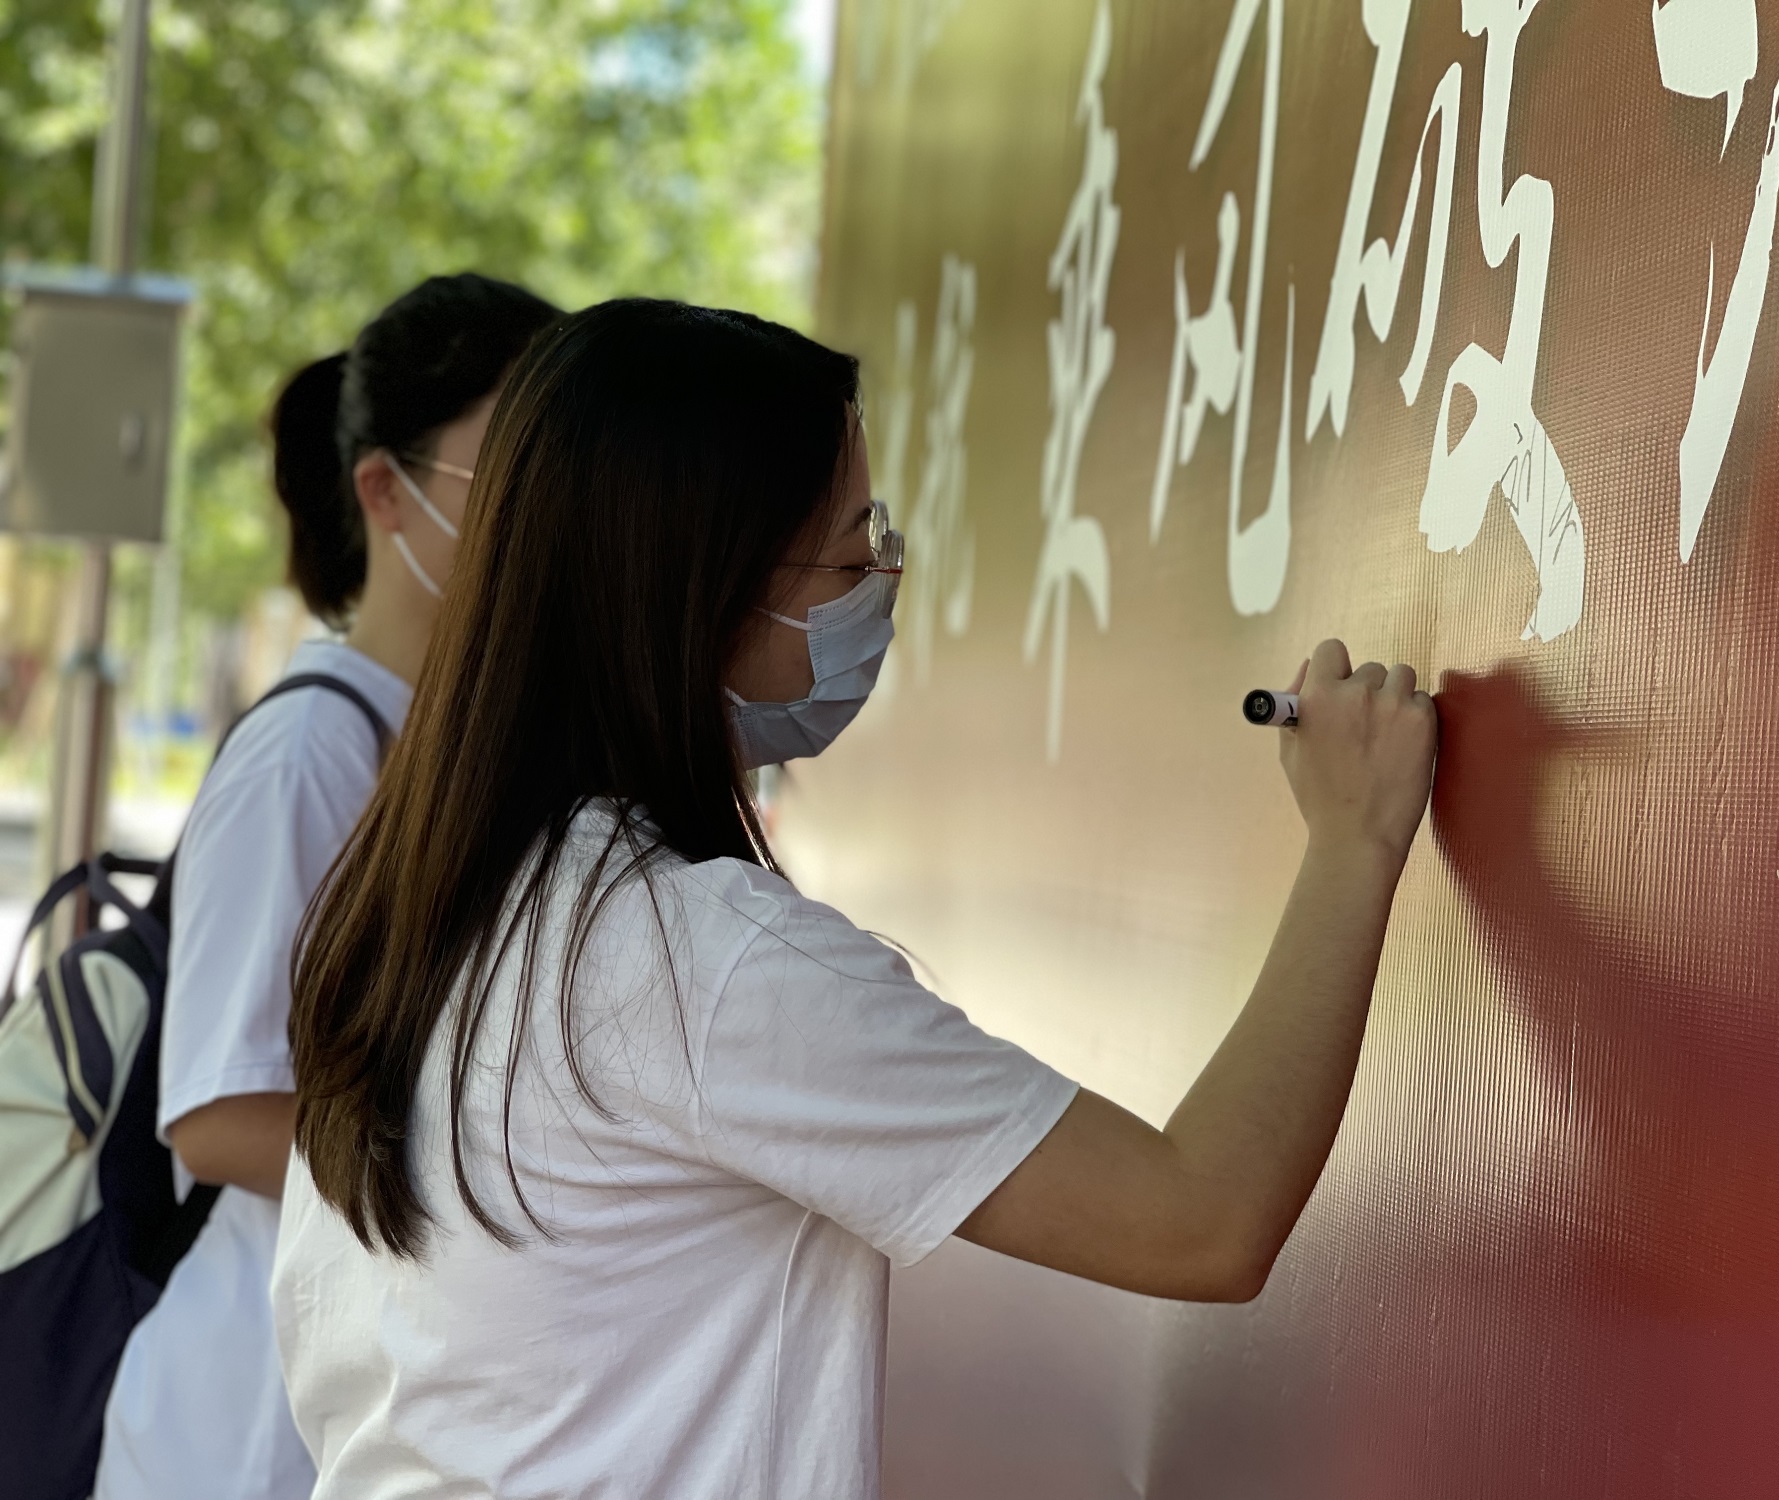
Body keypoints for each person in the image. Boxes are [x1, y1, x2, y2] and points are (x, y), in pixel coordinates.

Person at [276, 299, 1438, 1499]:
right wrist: (1351, 843)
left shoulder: (413, 908)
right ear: (700, 590)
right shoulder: (695, 960)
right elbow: (1199, 1216)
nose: (881, 580)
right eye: (848, 554)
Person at [94, 274, 560, 1500]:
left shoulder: (446, 747)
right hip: (240, 1430)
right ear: (384, 492)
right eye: (505, 463)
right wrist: (514, 1169)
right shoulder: (311, 753)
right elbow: (220, 1114)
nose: (545, 508)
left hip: (349, 1415)